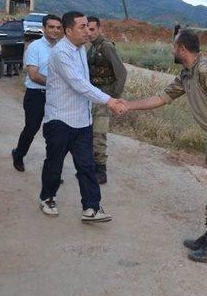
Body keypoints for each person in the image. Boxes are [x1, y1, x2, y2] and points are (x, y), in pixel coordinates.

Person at [122, 29, 207, 262]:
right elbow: (162, 98)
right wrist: (128, 105)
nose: (172, 51)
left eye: (174, 47)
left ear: (182, 49)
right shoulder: (188, 73)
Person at [39, 11, 126, 221]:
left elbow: (85, 84)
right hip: (59, 119)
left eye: (88, 26)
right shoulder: (61, 53)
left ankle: (91, 208)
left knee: (87, 165)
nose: (87, 30)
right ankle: (47, 197)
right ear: (68, 31)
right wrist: (109, 100)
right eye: (82, 27)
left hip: (81, 120)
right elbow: (79, 84)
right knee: (55, 163)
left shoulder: (80, 49)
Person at [12, 14, 63, 172]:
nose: (55, 30)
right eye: (51, 27)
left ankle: (52, 171)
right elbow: (33, 75)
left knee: (55, 134)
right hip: (36, 95)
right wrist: (57, 84)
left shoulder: (62, 48)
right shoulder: (35, 47)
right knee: (31, 128)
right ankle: (19, 155)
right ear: (44, 29)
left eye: (58, 27)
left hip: (55, 97)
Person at [86, 16, 127, 184]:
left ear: (100, 29)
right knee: (88, 134)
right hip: (93, 97)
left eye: (92, 29)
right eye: (87, 29)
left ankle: (101, 170)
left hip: (104, 99)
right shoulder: (91, 48)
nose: (89, 33)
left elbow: (122, 73)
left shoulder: (107, 47)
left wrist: (114, 99)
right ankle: (90, 169)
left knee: (99, 134)